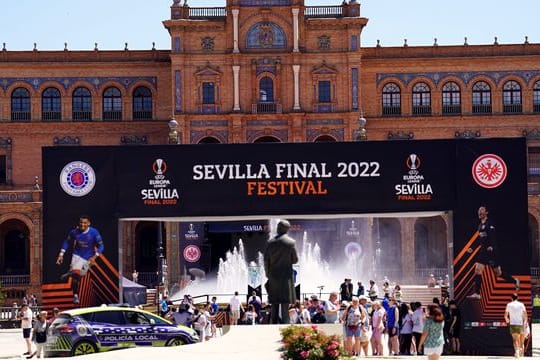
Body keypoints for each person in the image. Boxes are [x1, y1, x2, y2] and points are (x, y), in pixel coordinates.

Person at [468, 206, 519, 299]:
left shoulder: (490, 223)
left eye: (482, 210)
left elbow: (493, 237)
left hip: (491, 252)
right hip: (483, 252)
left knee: (498, 273)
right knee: (477, 270)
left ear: (486, 212)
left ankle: (514, 281)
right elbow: (480, 239)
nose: (479, 212)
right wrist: (472, 247)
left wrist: (492, 246)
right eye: (478, 210)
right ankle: (477, 293)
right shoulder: (479, 226)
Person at [56, 215, 104, 304]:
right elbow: (67, 242)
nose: (82, 224)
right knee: (76, 277)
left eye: (85, 223)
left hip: (88, 256)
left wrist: (95, 257)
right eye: (81, 222)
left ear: (89, 223)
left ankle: (69, 273)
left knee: (81, 273)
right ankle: (75, 295)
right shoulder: (74, 232)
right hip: (77, 255)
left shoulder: (94, 232)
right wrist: (61, 254)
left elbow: (101, 246)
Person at [263, 219, 298, 324]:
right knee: (285, 303)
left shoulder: (270, 242)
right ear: (287, 230)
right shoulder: (291, 243)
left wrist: (268, 274)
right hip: (286, 277)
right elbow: (295, 259)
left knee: (274, 302)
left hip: (273, 276)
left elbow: (266, 260)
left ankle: (273, 324)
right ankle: (285, 325)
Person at [504, 293, 527, 358]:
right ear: (517, 298)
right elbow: (525, 314)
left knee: (515, 339)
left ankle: (517, 351)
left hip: (513, 324)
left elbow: (505, 315)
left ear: (511, 298)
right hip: (520, 324)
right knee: (520, 339)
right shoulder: (521, 304)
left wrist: (507, 320)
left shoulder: (509, 304)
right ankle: (519, 351)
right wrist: (525, 323)